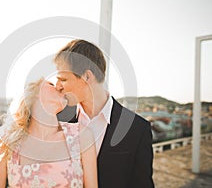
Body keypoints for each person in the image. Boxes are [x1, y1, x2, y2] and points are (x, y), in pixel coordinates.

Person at [55, 39, 154, 188]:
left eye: (63, 79)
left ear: (87, 77)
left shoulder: (138, 129)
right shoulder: (55, 120)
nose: (57, 86)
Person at [0, 78, 98, 188]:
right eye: (51, 84)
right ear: (34, 94)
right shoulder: (6, 142)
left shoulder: (82, 135)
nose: (60, 87)